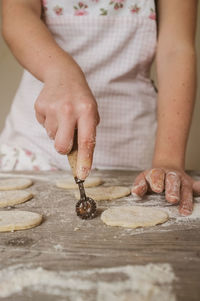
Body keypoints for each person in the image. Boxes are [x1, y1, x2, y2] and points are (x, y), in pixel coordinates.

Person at [1, 0, 200, 215]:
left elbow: (175, 49)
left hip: (130, 156)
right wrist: (60, 71)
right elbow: (16, 14)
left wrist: (168, 159)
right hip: (34, 150)